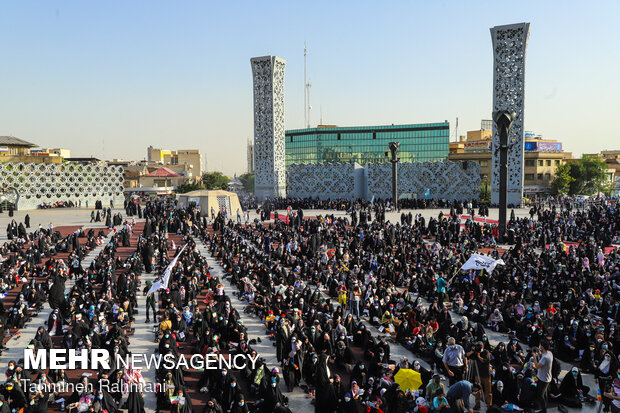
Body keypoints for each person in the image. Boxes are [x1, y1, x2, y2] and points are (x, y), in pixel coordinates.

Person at [533, 340, 553, 413]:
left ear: (542, 347)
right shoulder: (549, 353)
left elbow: (537, 366)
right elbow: (543, 358)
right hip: (546, 377)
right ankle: (544, 408)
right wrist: (539, 353)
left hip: (543, 379)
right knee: (544, 393)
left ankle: (544, 410)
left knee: (540, 395)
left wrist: (534, 356)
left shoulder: (545, 357)